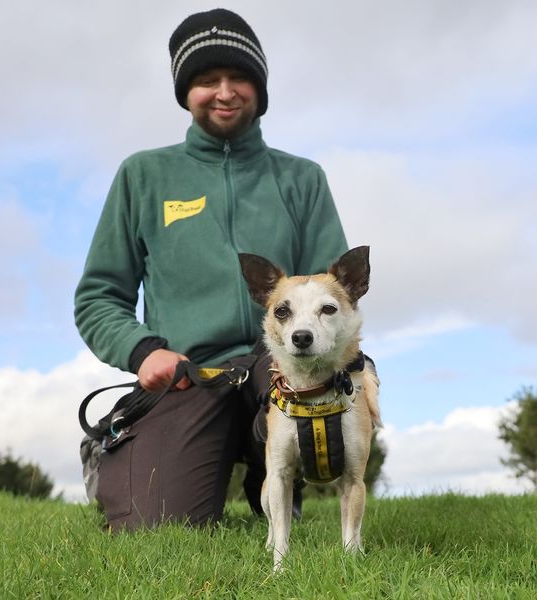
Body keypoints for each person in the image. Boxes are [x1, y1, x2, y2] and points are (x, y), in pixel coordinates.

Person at [75, 8, 348, 530]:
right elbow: (98, 296)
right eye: (206, 80)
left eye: (238, 77)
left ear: (260, 88)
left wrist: (347, 360)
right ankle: (122, 451)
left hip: (281, 363)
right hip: (189, 376)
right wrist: (143, 350)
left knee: (330, 413)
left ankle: (272, 477)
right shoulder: (143, 175)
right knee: (153, 525)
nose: (224, 92)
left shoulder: (302, 179)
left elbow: (331, 292)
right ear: (186, 92)